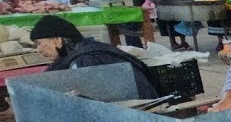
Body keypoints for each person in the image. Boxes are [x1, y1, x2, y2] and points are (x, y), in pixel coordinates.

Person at [31, 15, 160, 98]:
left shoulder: (85, 61)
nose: (39, 50)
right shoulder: (88, 50)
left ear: (58, 40)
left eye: (39, 43)